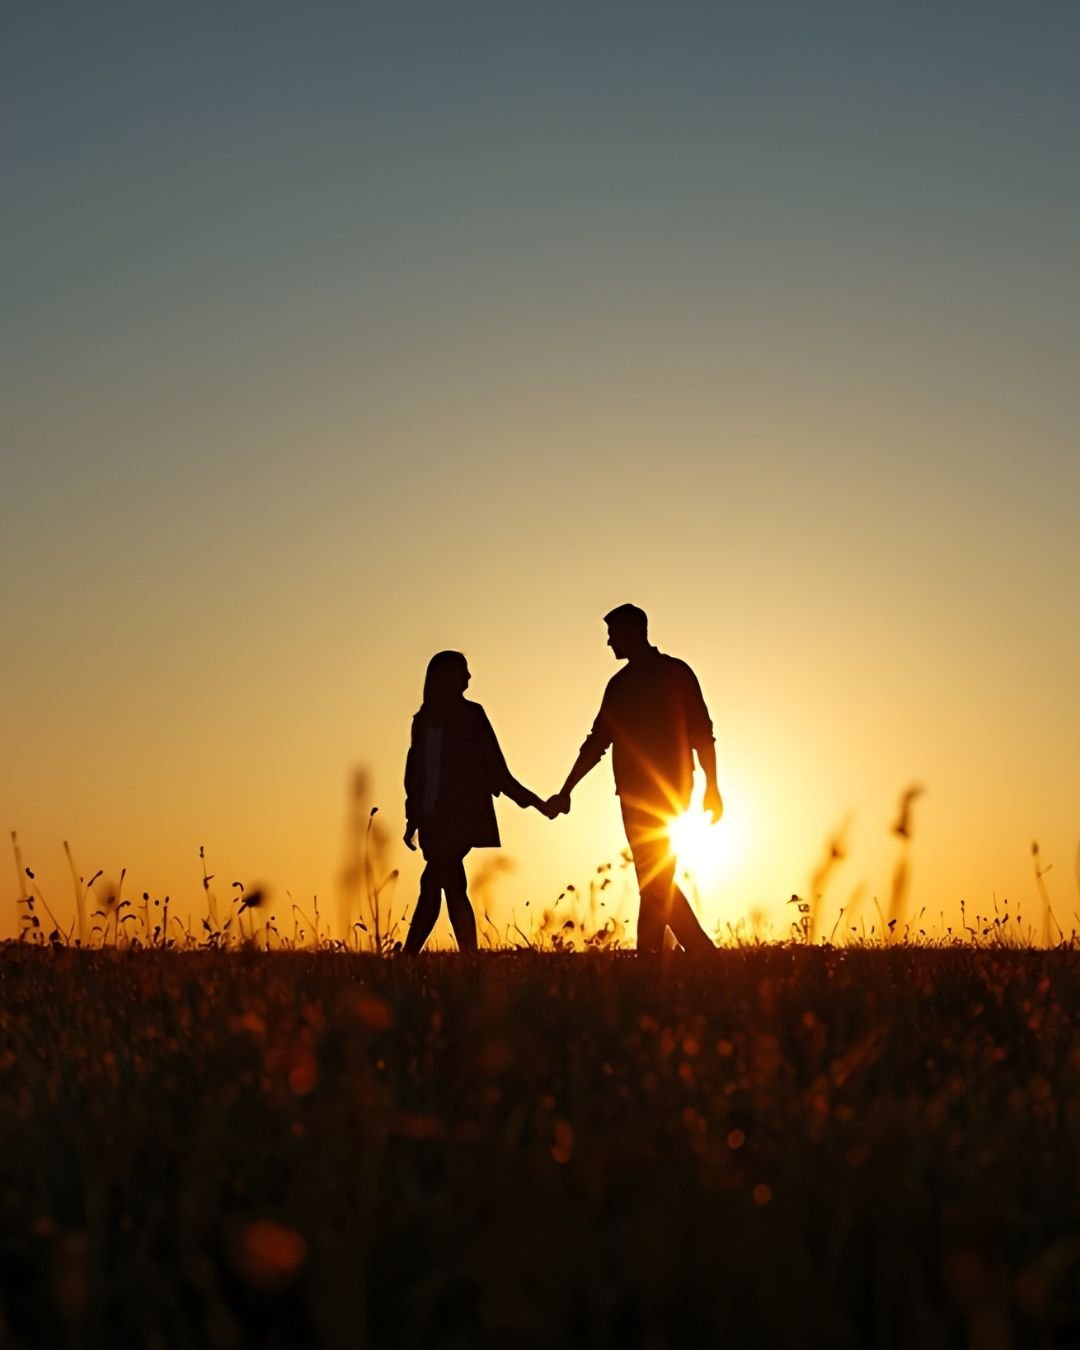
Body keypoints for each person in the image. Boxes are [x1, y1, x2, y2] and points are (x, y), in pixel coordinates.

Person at [546, 605, 722, 954]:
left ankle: (656, 961)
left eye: (613, 635)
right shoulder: (619, 686)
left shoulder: (675, 674)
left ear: (633, 633)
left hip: (671, 791)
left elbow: (702, 732)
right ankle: (699, 956)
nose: (609, 643)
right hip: (632, 794)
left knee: (654, 880)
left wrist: (713, 787)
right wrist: (566, 790)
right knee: (654, 880)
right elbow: (597, 741)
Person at [403, 650, 545, 953]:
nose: (469, 677)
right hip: (431, 818)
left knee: (437, 881)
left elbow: (495, 768)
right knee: (448, 885)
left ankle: (410, 955)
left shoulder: (471, 715)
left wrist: (532, 801)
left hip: (459, 816)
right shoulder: (423, 720)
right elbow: (415, 773)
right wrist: (412, 818)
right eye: (463, 671)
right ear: (446, 677)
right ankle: (465, 957)